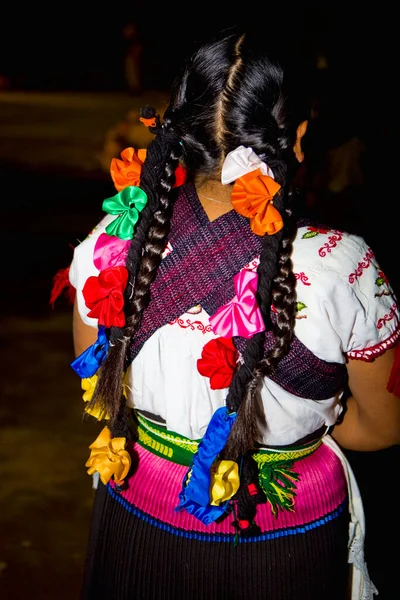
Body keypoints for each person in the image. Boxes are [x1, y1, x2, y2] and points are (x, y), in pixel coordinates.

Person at [67, 26, 400, 600]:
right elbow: (383, 426)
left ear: (180, 136)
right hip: (281, 537)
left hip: (136, 505)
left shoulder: (109, 243)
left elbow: (99, 382)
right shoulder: (346, 266)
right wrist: (297, 417)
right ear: (296, 139)